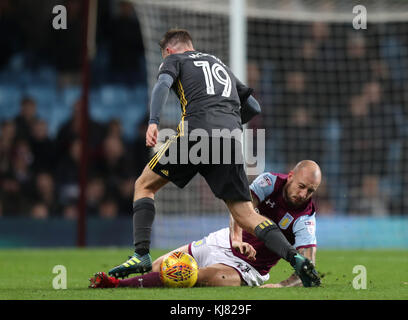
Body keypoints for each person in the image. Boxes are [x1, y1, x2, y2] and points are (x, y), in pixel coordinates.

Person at [107, 29, 320, 287]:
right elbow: (254, 107)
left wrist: (154, 122)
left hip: (196, 134)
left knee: (144, 185)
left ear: (169, 50)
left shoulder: (174, 60)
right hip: (229, 140)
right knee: (246, 215)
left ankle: (141, 254)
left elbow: (162, 85)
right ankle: (295, 258)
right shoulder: (220, 66)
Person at [90, 160, 321, 288]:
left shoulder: (305, 219)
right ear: (291, 176)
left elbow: (306, 271)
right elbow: (240, 210)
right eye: (301, 186)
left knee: (189, 275)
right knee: (159, 267)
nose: (303, 194)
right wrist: (236, 239)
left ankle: (115, 286)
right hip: (220, 241)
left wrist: (280, 287)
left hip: (245, 269)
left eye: (310, 191)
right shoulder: (270, 182)